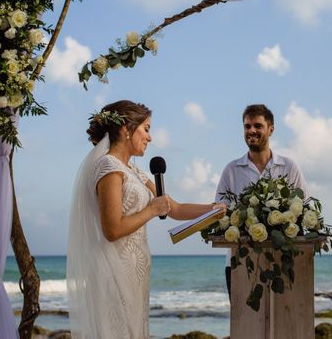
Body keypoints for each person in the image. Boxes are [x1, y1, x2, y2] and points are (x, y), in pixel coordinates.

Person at [67, 100, 224, 339]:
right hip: (114, 271)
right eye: (147, 128)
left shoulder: (134, 170)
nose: (150, 138)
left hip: (134, 271)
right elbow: (112, 229)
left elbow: (174, 207)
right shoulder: (109, 167)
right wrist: (151, 210)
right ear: (126, 129)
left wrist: (213, 209)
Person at [215, 104, 308, 297]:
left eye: (257, 126)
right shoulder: (231, 170)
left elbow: (304, 209)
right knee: (243, 326)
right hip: (240, 263)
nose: (251, 131)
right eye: (247, 126)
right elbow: (219, 214)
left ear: (270, 129)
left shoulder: (289, 167)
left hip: (283, 261)